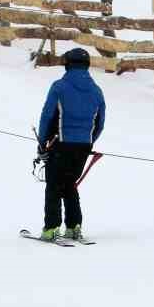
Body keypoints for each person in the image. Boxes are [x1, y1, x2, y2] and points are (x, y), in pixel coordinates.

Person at [36, 47, 106, 243]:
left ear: (67, 64)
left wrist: (42, 142)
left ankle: (51, 228)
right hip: (83, 145)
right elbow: (100, 122)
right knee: (70, 185)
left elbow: (47, 116)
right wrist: (88, 141)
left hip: (60, 143)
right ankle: (74, 226)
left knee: (53, 186)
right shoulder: (97, 91)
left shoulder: (59, 87)